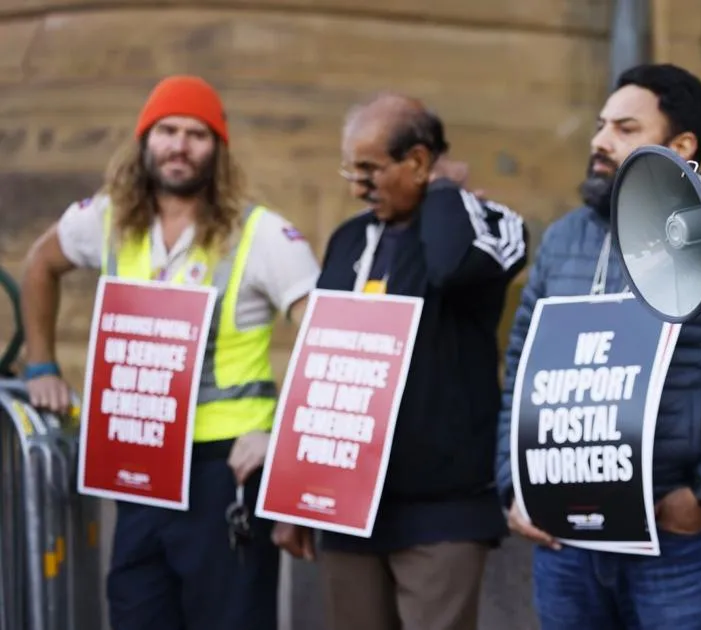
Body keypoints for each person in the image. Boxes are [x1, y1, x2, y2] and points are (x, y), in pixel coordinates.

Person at [19, 75, 320, 630]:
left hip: (225, 471)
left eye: (196, 134)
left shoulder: (263, 234)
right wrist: (41, 365)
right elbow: (40, 263)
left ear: (218, 149)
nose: (180, 146)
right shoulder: (107, 218)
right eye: (167, 131)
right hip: (138, 465)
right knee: (136, 614)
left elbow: (328, 338)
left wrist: (283, 437)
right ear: (144, 141)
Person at [495, 63, 701, 630]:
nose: (600, 141)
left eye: (625, 129)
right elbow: (520, 370)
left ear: (681, 145)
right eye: (601, 125)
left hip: (679, 539)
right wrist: (514, 486)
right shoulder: (564, 239)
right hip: (564, 539)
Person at [271, 93, 528, 630]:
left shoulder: (481, 223)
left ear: (417, 161)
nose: (356, 187)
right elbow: (323, 365)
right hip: (349, 508)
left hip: (441, 511)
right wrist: (295, 496)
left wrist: (444, 192)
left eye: (369, 170)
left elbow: (450, 269)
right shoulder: (349, 239)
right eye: (350, 169)